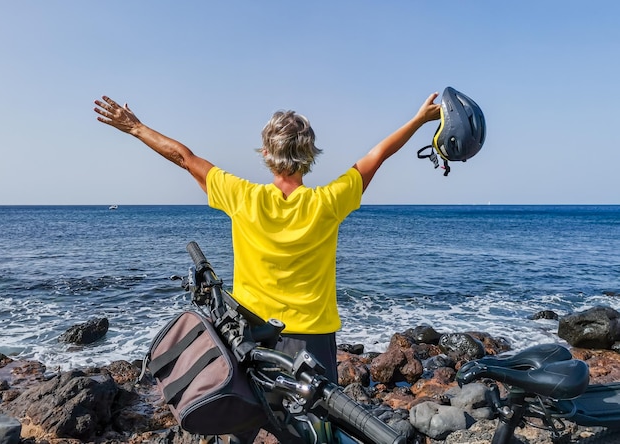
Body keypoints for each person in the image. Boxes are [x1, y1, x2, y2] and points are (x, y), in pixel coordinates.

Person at [93, 93, 439, 381]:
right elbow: (376, 156)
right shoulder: (330, 201)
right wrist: (419, 120)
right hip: (312, 338)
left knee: (249, 422)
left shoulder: (242, 197)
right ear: (309, 156)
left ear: (266, 154)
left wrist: (135, 127)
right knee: (313, 428)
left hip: (252, 336)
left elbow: (184, 157)